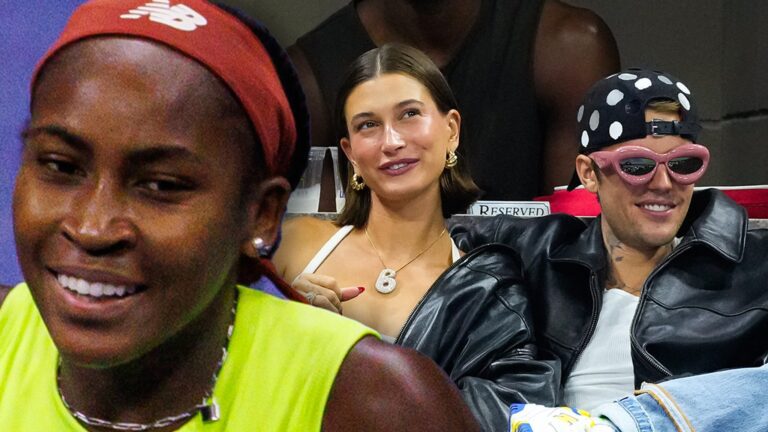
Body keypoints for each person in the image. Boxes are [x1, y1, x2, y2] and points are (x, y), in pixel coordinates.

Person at [0, 1, 481, 431]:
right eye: (60, 166)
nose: (92, 228)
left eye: (162, 186)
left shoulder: (375, 405)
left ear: (261, 215)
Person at [450, 68, 768, 426]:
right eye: (637, 165)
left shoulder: (753, 265)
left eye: (683, 164)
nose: (664, 184)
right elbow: (426, 240)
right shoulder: (537, 251)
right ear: (588, 173)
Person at [273, 43, 559, 430]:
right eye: (368, 125)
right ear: (350, 152)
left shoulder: (487, 295)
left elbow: (504, 417)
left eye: (409, 114)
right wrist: (283, 320)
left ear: (451, 130)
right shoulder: (292, 243)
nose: (391, 141)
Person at [289, 0, 620, 202]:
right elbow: (313, 256)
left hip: (529, 292)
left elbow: (579, 246)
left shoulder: (567, 47)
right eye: (369, 124)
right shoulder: (309, 76)